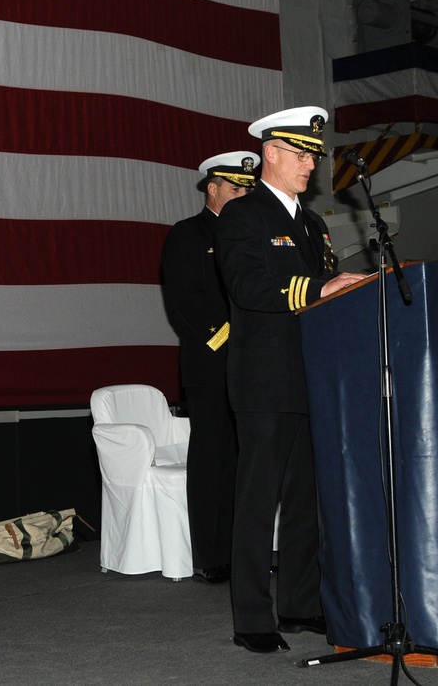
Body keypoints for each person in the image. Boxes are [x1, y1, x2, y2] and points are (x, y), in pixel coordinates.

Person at [213, 106, 365, 654]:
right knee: (259, 500)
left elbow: (324, 289)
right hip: (263, 377)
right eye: (301, 155)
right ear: (270, 154)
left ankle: (300, 604)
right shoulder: (243, 215)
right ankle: (252, 617)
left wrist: (346, 289)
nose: (310, 165)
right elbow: (249, 287)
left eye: (314, 157)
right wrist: (319, 288)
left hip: (311, 376)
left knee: (307, 498)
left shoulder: (315, 223)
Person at [160, 151, 259, 585]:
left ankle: (245, 552)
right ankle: (211, 555)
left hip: (255, 363)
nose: (241, 196)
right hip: (212, 362)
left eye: (247, 190)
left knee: (247, 459)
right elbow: (185, 302)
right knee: (213, 456)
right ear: (212, 189)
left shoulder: (250, 237)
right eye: (235, 189)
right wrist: (229, 339)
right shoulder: (188, 234)